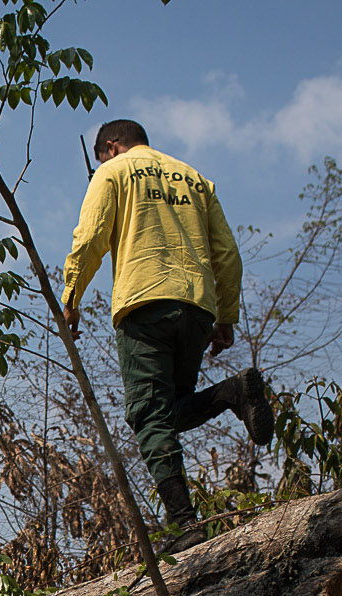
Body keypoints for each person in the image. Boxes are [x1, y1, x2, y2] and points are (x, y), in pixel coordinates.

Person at [61, 118, 274, 551]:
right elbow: (227, 255)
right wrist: (225, 317)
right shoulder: (195, 179)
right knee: (170, 411)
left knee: (148, 417)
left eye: (102, 156)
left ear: (112, 147)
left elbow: (89, 237)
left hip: (145, 304)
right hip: (197, 307)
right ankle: (233, 392)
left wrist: (71, 296)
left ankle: (184, 525)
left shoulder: (113, 172)